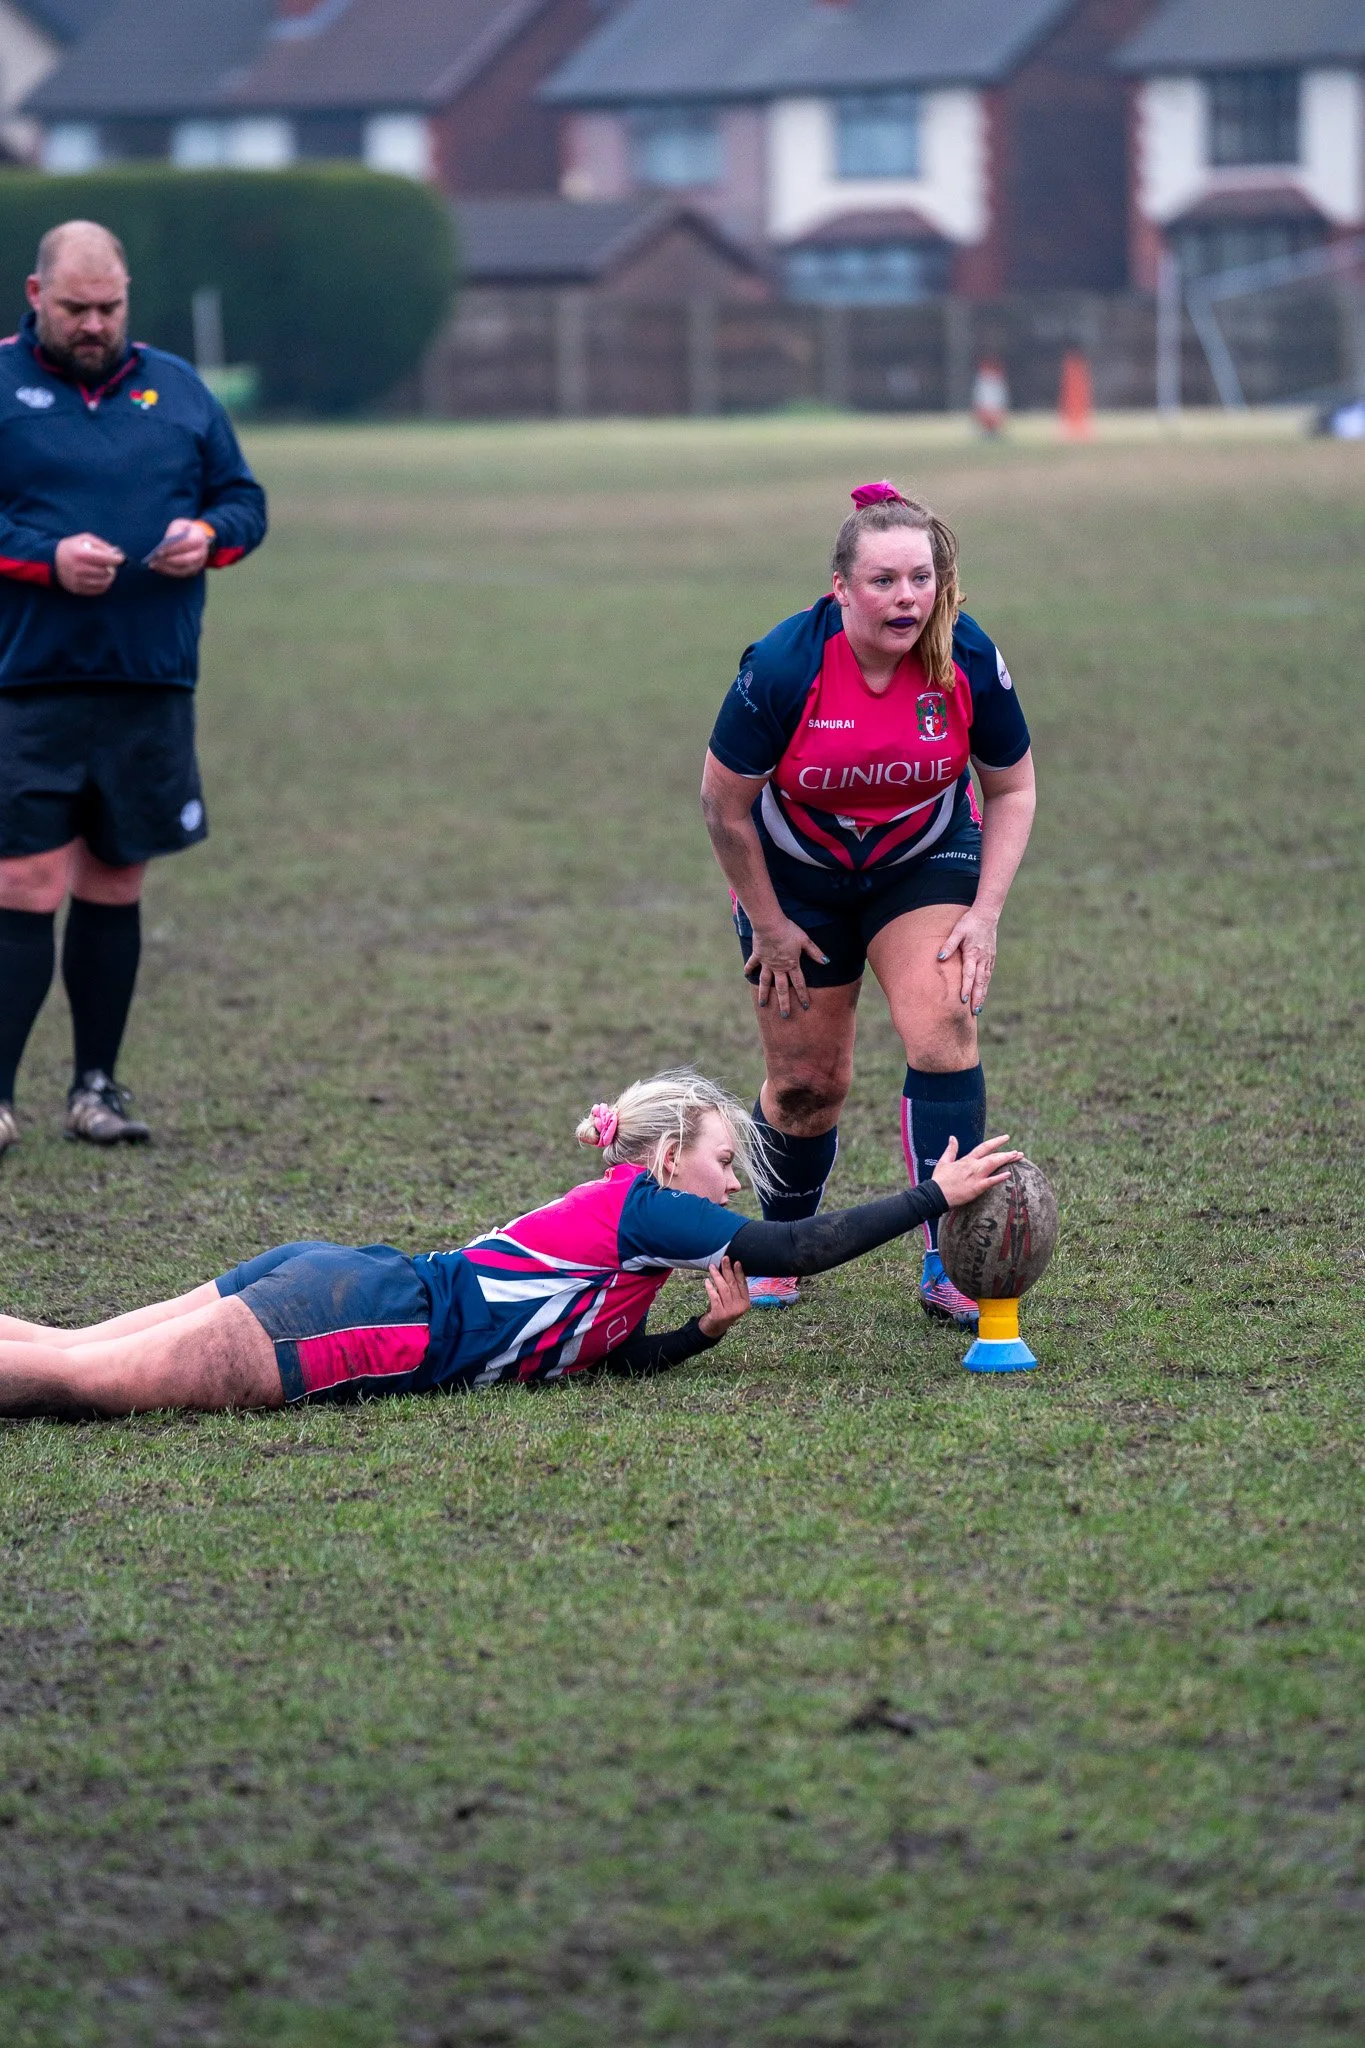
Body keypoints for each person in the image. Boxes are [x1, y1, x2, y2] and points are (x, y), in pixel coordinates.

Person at [0, 1070, 1019, 1418]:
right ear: (668, 1160)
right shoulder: (646, 1208)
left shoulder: (633, 1242)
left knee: (69, 1345)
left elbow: (596, 1362)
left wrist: (701, 1335)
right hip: (364, 1319)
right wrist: (932, 1195)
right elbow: (795, 1245)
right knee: (80, 1382)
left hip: (346, 1282)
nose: (731, 1184)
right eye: (721, 1162)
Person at [700, 481, 1036, 1328]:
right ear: (840, 589)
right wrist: (769, 925)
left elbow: (1012, 787)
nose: (906, 598)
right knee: (806, 1084)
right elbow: (723, 807)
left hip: (920, 860)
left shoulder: (964, 655)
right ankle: (783, 1245)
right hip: (793, 875)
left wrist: (984, 912)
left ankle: (949, 1260)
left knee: (943, 1029)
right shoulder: (784, 666)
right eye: (883, 581)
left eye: (920, 578)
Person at [0, 220, 267, 1156]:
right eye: (76, 307)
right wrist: (45, 559)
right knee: (25, 881)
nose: (94, 324)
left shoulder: (179, 389)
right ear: (37, 297)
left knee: (115, 879)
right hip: (27, 681)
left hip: (149, 683)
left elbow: (244, 501)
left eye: (109, 307)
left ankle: (95, 1089)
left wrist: (208, 536)